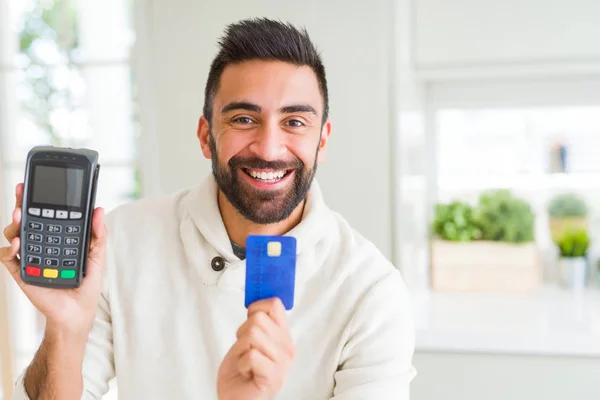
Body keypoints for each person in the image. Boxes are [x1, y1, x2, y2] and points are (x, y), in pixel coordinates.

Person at [1, 17, 416, 399]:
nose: (269, 148)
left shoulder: (371, 292)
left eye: (294, 122)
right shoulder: (119, 242)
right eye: (242, 119)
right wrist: (64, 329)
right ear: (205, 136)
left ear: (322, 141)